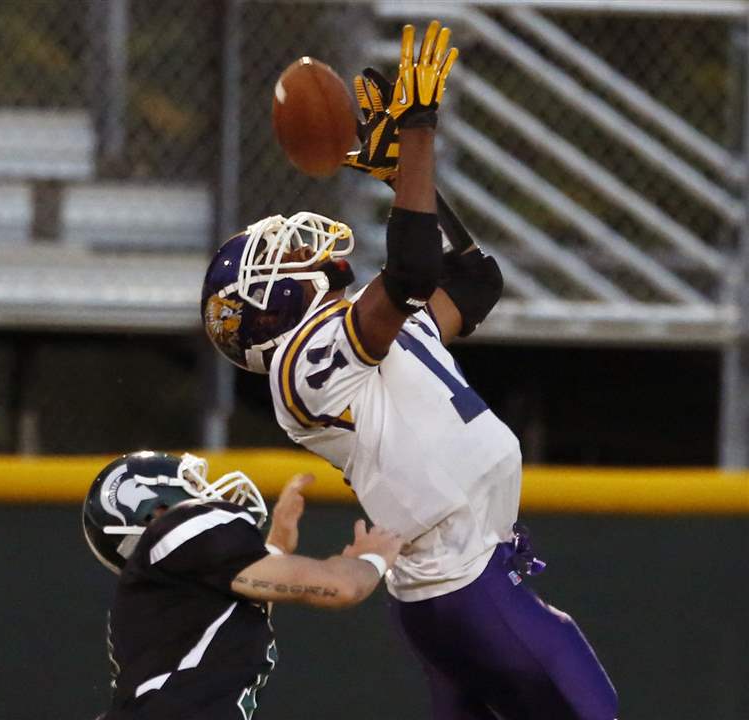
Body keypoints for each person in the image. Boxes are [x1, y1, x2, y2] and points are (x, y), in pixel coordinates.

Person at [200, 20, 618, 720]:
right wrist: (417, 134)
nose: (298, 246)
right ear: (267, 302)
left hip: (465, 579)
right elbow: (415, 270)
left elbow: (475, 280)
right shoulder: (304, 363)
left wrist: (411, 180)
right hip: (463, 585)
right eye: (281, 255)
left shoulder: (366, 324)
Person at [82, 450, 402, 719]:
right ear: (156, 510)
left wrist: (276, 548)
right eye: (191, 483)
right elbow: (341, 588)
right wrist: (375, 558)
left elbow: (231, 620)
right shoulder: (177, 530)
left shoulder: (161, 599)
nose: (204, 490)